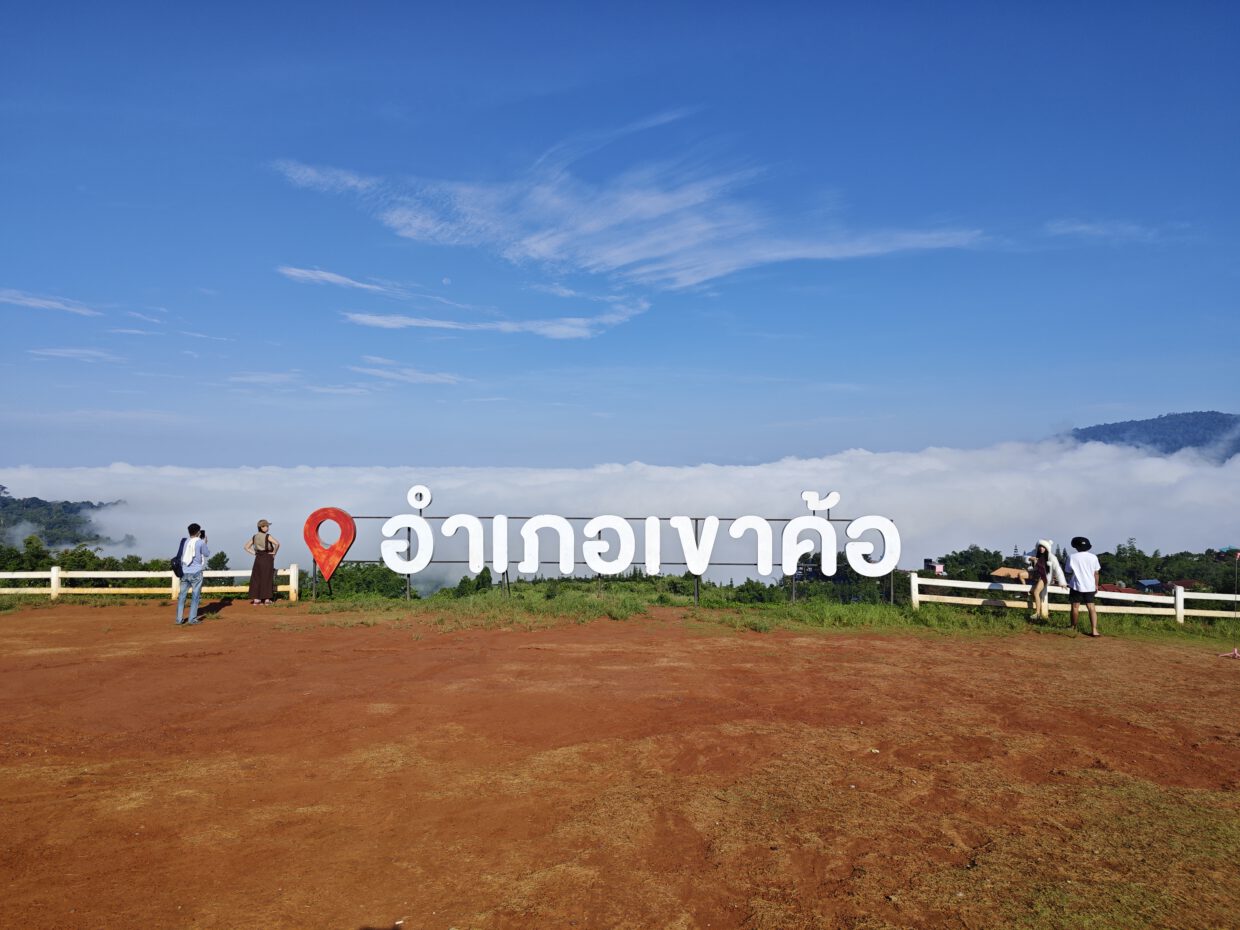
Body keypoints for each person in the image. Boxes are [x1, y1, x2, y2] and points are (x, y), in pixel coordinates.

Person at [1065, 535, 1102, 636]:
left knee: (1075, 607)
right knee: (1091, 607)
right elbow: (1096, 573)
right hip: (1090, 585)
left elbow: (1068, 571)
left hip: (1076, 585)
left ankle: (1073, 627)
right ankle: (1094, 630)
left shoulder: (1072, 557)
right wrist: (1096, 585)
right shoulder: (1093, 557)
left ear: (1076, 547)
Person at [175, 523, 211, 625]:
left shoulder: (185, 541)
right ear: (198, 532)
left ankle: (179, 619)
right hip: (196, 572)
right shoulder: (200, 542)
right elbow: (207, 554)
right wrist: (205, 543)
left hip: (184, 571)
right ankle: (192, 619)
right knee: (195, 596)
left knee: (182, 596)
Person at [1027, 539, 1066, 621]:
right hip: (1037, 575)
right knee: (1034, 592)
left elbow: (1058, 569)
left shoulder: (1051, 557)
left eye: (1043, 547)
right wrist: (1030, 558)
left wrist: (1062, 582)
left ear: (1047, 548)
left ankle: (1037, 613)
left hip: (1045, 577)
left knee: (1036, 592)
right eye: (1040, 547)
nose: (1041, 548)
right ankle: (1038, 613)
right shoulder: (1035, 553)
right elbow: (1025, 556)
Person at [244, 519, 280, 605]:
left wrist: (255, 553)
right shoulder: (268, 536)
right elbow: (277, 543)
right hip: (267, 558)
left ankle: (256, 599)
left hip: (258, 558)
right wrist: (274, 552)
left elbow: (246, 547)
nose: (267, 528)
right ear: (261, 527)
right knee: (267, 577)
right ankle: (267, 599)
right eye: (266, 526)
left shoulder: (255, 537)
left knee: (256, 578)